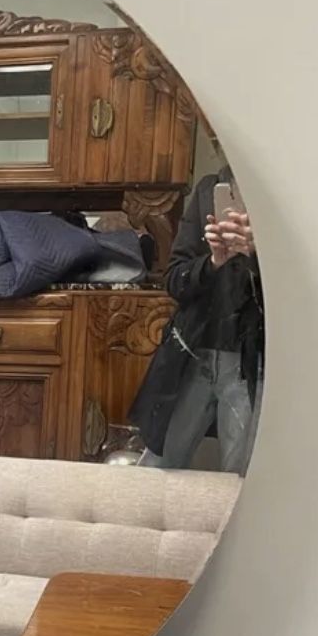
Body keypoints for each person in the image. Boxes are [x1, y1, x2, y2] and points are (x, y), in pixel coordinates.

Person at [131, 167, 264, 472]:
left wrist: (257, 254)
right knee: (159, 465)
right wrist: (214, 261)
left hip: (252, 363)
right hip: (193, 354)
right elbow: (175, 280)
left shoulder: (284, 200)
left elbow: (298, 296)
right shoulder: (209, 190)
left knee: (240, 480)